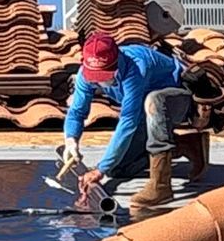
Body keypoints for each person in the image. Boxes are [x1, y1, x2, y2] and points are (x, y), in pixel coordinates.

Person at [59, 30, 200, 214]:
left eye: (105, 74)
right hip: (144, 114)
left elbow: (128, 121)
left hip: (179, 102)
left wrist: (100, 169)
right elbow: (76, 112)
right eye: (95, 76)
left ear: (117, 61)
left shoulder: (136, 67)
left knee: (154, 100)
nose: (101, 81)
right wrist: (71, 141)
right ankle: (185, 145)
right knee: (118, 170)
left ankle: (161, 185)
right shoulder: (85, 73)